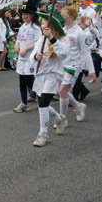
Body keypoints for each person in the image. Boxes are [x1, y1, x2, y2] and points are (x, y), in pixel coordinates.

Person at [30, 9, 69, 147]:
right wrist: (36, 57)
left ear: (52, 26)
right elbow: (32, 56)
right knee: (42, 104)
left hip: (53, 75)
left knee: (43, 104)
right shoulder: (41, 39)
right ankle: (59, 119)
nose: (42, 26)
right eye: (41, 23)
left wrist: (52, 37)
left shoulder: (62, 39)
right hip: (40, 75)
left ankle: (43, 134)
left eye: (45, 23)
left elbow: (64, 54)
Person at [56, 6, 96, 123]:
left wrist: (92, 71)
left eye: (64, 15)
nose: (62, 17)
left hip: (74, 65)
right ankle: (79, 106)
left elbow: (85, 52)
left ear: (72, 17)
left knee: (62, 91)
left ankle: (62, 119)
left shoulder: (80, 33)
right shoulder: (62, 30)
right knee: (63, 92)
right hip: (62, 64)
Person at [13, 0, 42, 113]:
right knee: (22, 81)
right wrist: (17, 45)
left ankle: (41, 97)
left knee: (30, 81)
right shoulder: (22, 27)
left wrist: (26, 48)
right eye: (23, 14)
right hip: (21, 59)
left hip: (31, 59)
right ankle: (24, 103)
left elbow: (38, 42)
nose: (24, 16)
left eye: (27, 14)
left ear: (32, 15)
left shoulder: (36, 28)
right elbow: (19, 40)